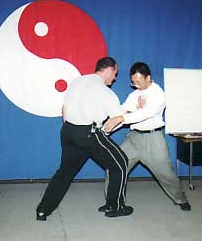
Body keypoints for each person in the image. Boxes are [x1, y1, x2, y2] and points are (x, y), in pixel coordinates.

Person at [36, 57, 133, 220]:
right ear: (109, 70)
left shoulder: (77, 81)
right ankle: (114, 206)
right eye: (115, 74)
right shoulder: (105, 91)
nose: (115, 78)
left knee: (65, 172)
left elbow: (64, 109)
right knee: (121, 162)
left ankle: (43, 209)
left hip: (68, 131)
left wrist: (73, 131)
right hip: (89, 133)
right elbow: (117, 118)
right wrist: (133, 112)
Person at [103, 62, 191, 211]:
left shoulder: (158, 94)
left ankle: (181, 199)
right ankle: (112, 202)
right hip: (133, 138)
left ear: (148, 78)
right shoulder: (134, 94)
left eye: (138, 81)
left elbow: (146, 113)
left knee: (166, 174)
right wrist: (105, 129)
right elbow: (122, 111)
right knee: (114, 166)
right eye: (133, 82)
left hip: (153, 140)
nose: (135, 85)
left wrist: (123, 118)